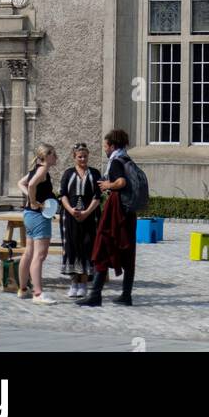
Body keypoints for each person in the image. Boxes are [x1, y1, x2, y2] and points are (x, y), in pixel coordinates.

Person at [78, 128, 136, 307]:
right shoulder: (127, 159)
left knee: (102, 247)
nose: (104, 148)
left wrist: (107, 184)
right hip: (128, 211)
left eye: (105, 145)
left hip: (116, 209)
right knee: (127, 251)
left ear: (112, 145)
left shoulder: (117, 161)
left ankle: (95, 295)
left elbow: (121, 182)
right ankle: (126, 295)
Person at [16, 142, 59, 304]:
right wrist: (33, 200)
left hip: (29, 215)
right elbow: (32, 184)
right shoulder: (42, 170)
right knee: (39, 256)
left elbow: (21, 183)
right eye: (54, 154)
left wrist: (29, 199)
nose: (56, 157)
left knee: (28, 253)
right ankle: (37, 293)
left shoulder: (36, 169)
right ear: (46, 156)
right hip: (39, 216)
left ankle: (22, 288)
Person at [58, 143, 101, 299]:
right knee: (72, 247)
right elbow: (63, 194)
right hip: (70, 217)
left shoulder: (95, 173)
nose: (83, 159)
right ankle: (74, 283)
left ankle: (83, 283)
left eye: (85, 156)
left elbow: (98, 196)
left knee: (87, 247)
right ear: (74, 157)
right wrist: (70, 210)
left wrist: (87, 212)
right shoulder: (68, 174)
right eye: (80, 157)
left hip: (90, 217)